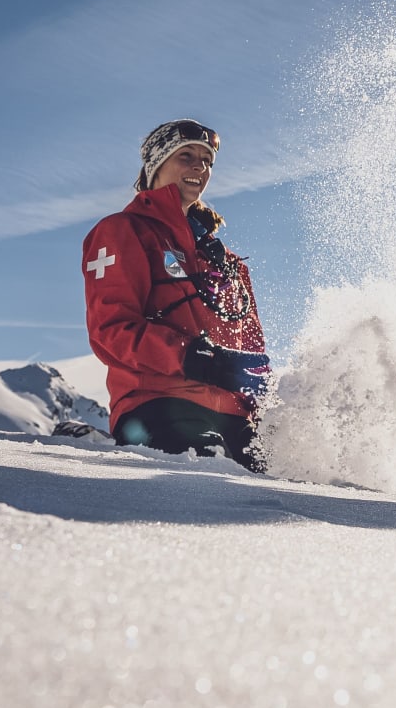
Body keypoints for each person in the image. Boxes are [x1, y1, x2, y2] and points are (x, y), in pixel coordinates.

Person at [82, 119, 272, 470]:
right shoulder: (123, 232)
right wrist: (190, 358)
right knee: (209, 476)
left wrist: (264, 391)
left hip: (235, 415)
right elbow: (110, 329)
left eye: (207, 160)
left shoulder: (227, 262)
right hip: (158, 401)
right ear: (156, 165)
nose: (199, 167)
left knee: (288, 481)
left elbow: (252, 348)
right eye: (186, 156)